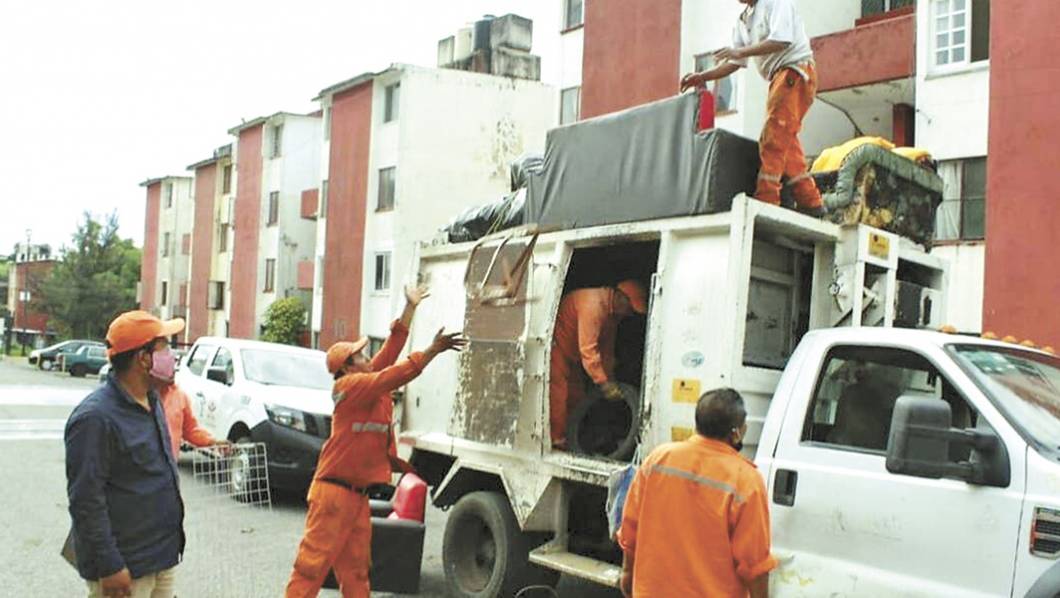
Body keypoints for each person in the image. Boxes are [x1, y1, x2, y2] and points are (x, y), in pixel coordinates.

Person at [285, 285, 466, 597]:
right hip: (333, 495)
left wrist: (409, 309)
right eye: (361, 354)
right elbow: (392, 374)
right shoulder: (351, 385)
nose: (369, 356)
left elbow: (392, 350)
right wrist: (432, 351)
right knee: (310, 569)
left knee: (356, 572)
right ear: (347, 366)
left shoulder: (364, 381)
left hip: (355, 497)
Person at [65, 311, 187, 598]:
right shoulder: (95, 419)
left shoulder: (152, 399)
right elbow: (86, 501)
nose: (172, 357)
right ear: (143, 358)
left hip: (161, 557)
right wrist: (109, 565)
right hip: (125, 568)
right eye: (165, 348)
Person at [618, 388, 777, 598]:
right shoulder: (745, 480)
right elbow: (754, 563)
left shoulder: (658, 459)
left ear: (697, 423)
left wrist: (628, 573)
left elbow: (630, 530)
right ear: (737, 432)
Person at [680, 0, 825, 216]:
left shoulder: (775, 3)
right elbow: (735, 62)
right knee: (786, 142)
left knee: (772, 139)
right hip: (781, 77)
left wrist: (739, 52)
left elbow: (781, 40)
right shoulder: (743, 20)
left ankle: (767, 201)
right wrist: (703, 76)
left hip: (794, 71)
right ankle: (811, 203)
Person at [550, 280, 647, 449]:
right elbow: (588, 350)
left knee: (576, 397)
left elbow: (606, 351)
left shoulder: (611, 315)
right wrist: (604, 383)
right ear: (620, 297)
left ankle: (572, 439)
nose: (629, 314)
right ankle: (557, 442)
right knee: (558, 398)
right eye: (630, 308)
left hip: (573, 356)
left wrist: (610, 379)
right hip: (557, 349)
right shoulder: (593, 306)